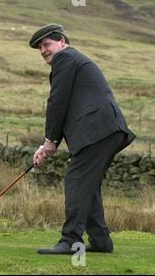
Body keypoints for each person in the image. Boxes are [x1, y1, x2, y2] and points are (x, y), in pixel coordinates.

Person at [29, 24, 135, 254]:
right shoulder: (71, 58)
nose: (43, 51)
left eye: (46, 44)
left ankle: (70, 241)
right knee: (87, 184)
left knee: (76, 180)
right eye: (40, 48)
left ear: (62, 42)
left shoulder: (65, 58)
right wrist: (48, 144)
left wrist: (49, 142)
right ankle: (100, 242)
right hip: (105, 130)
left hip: (98, 130)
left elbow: (57, 101)